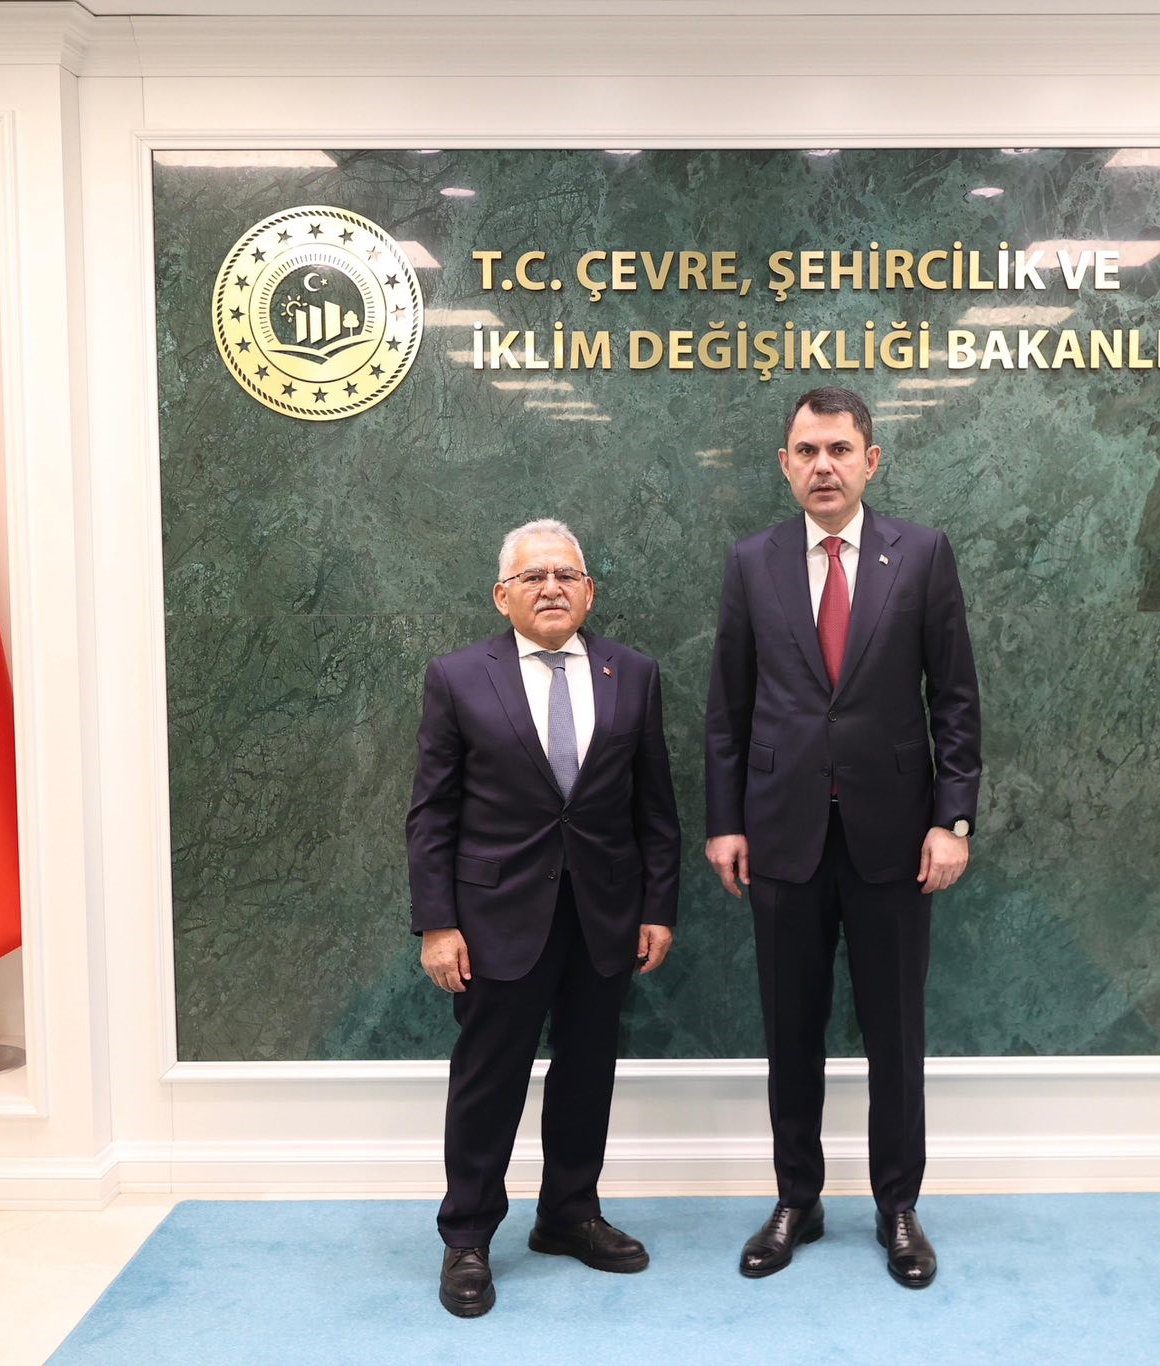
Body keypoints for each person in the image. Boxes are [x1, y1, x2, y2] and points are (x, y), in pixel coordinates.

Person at [704, 387, 981, 1289]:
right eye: (806, 450)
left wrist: (952, 819)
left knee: (895, 1034)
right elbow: (727, 710)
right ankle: (798, 1199)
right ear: (784, 464)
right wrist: (725, 822)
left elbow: (956, 701)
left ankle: (898, 1206)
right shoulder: (752, 562)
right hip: (781, 836)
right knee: (792, 1031)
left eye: (839, 449)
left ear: (871, 461)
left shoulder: (922, 555)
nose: (822, 465)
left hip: (896, 840)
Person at [405, 518, 681, 1318]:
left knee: (587, 1072)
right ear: (503, 596)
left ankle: (568, 1214)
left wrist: (657, 907)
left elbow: (655, 807)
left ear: (589, 591)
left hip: (604, 915)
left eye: (566, 575)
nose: (551, 587)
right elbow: (431, 814)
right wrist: (437, 923)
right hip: (493, 919)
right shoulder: (458, 677)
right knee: (487, 1081)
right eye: (533, 577)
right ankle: (467, 1237)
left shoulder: (634, 674)